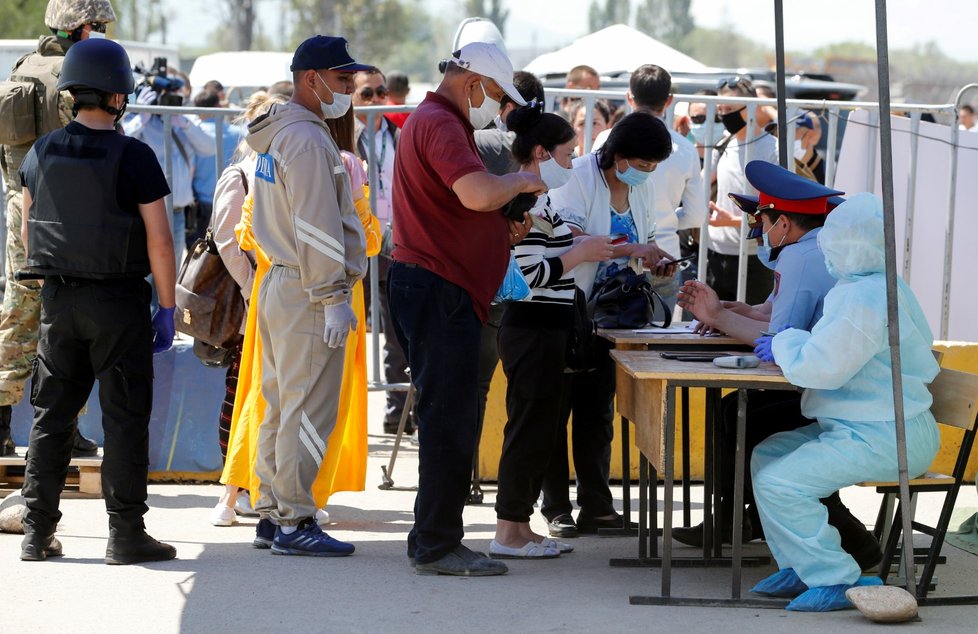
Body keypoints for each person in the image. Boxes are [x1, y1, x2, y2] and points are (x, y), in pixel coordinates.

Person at [673, 162, 881, 570]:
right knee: (738, 410)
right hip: (841, 390)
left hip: (842, 399)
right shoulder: (812, 250)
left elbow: (782, 339)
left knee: (748, 419)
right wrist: (737, 312)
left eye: (762, 221)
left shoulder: (804, 254)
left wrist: (718, 316)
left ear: (783, 223)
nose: (758, 231)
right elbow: (782, 324)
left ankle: (838, 537)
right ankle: (738, 519)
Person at [388, 40, 546, 576]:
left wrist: (498, 224)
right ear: (473, 81)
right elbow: (475, 192)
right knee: (447, 420)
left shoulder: (437, 122)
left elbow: (462, 205)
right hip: (438, 289)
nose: (497, 107)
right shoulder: (440, 123)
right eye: (496, 94)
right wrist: (519, 182)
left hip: (439, 288)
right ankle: (435, 542)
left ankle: (436, 538)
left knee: (449, 416)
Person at [18, 38, 177, 564]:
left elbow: (26, 229)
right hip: (117, 303)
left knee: (52, 418)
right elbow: (159, 239)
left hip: (59, 301)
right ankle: (126, 534)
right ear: (117, 96)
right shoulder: (133, 156)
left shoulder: (41, 151)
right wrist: (168, 307)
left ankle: (37, 534)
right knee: (124, 419)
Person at [749, 192, 940, 612]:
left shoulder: (863, 297)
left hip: (885, 435)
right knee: (767, 456)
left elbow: (822, 367)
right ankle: (802, 563)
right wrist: (790, 344)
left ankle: (835, 576)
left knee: (780, 483)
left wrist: (785, 342)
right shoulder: (876, 287)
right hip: (877, 426)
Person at [244, 35, 368, 557]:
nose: (349, 91)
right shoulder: (309, 140)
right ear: (311, 79)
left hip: (280, 281)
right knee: (308, 410)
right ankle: (295, 521)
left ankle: (273, 512)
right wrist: (332, 295)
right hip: (307, 287)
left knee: (279, 405)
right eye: (342, 81)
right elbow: (317, 225)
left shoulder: (279, 133)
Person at [489, 103, 614, 560]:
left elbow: (558, 248)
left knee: (539, 430)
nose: (572, 164)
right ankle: (507, 532)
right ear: (540, 152)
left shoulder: (540, 199)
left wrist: (603, 247)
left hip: (549, 328)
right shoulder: (521, 200)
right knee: (528, 429)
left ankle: (519, 526)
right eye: (566, 155)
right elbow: (527, 276)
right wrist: (581, 255)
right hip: (532, 327)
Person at [541, 112, 674, 537]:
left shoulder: (642, 188)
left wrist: (655, 261)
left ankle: (597, 506)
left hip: (612, 318)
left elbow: (641, 243)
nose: (646, 173)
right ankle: (556, 507)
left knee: (596, 413)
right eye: (643, 164)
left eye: (653, 167)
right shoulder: (577, 177)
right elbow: (572, 240)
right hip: (565, 309)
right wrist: (636, 247)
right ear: (618, 156)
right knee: (555, 409)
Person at [0, 0, 113, 458]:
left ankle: (2, 427)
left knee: (18, 314)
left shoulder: (24, 67)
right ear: (81, 27)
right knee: (69, 320)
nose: (101, 33)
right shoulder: (77, 73)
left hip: (18, 205)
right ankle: (64, 430)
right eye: (98, 26)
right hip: (66, 213)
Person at [207, 91, 286, 527]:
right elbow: (227, 241)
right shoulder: (239, 173)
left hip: (271, 296)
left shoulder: (276, 168)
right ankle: (232, 490)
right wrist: (253, 288)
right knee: (241, 393)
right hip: (249, 301)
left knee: (268, 393)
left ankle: (255, 487)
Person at [592, 64, 707, 310]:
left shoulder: (606, 139)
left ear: (629, 97)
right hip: (664, 258)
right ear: (670, 100)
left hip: (613, 255)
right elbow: (696, 214)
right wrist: (667, 219)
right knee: (655, 337)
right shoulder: (686, 148)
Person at [123, 69, 215, 262]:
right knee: (146, 274)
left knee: (171, 274)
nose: (172, 97)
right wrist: (141, 116)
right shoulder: (139, 119)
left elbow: (209, 148)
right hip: (146, 214)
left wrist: (184, 124)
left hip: (178, 213)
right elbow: (120, 142)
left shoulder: (183, 121)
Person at [706, 77, 778, 304]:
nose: (725, 115)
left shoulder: (772, 149)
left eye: (731, 109)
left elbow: (778, 210)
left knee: (748, 327)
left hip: (754, 257)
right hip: (716, 252)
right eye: (721, 109)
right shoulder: (723, 143)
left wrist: (734, 221)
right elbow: (700, 184)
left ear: (753, 105)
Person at [190, 89, 244, 247]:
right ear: (218, 106)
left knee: (200, 254)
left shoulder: (193, 133)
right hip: (232, 198)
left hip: (200, 200)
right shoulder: (237, 132)